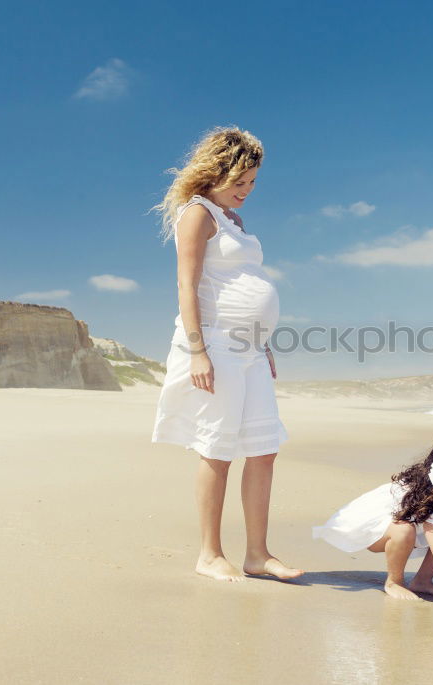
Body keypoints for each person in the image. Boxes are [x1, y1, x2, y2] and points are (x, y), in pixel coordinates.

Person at [151, 126, 302, 582]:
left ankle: (258, 554)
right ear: (216, 172)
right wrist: (198, 352)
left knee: (263, 449)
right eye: (240, 181)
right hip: (215, 344)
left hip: (249, 350)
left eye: (253, 182)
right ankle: (209, 554)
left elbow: (242, 284)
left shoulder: (235, 221)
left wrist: (264, 340)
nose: (247, 191)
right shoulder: (197, 214)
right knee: (217, 450)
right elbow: (186, 285)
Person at [313, 430, 433, 617]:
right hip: (374, 530)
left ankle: (422, 581)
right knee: (404, 530)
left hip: (406, 525)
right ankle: (394, 582)